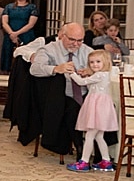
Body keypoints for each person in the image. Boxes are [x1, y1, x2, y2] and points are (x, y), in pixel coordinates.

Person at [29, 23, 93, 158]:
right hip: (59, 97)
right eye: (72, 39)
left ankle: (102, 152)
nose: (76, 44)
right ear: (62, 36)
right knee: (73, 109)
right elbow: (34, 69)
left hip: (85, 93)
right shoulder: (48, 49)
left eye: (80, 40)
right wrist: (56, 69)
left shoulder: (87, 51)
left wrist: (91, 71)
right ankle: (80, 148)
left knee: (105, 106)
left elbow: (105, 66)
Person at [65, 50, 118, 172]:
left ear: (105, 62)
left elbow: (81, 83)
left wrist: (72, 73)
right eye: (92, 62)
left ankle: (84, 161)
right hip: (98, 105)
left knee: (89, 135)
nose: (95, 64)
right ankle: (106, 160)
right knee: (99, 136)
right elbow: (90, 85)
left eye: (98, 62)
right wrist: (87, 75)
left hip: (98, 107)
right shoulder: (102, 74)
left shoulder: (100, 75)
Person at [0, 0, 39, 72]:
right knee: (9, 59)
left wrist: (16, 34)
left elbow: (31, 24)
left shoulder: (32, 7)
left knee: (24, 59)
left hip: (26, 36)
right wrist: (11, 34)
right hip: (10, 36)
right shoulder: (9, 7)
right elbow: (4, 22)